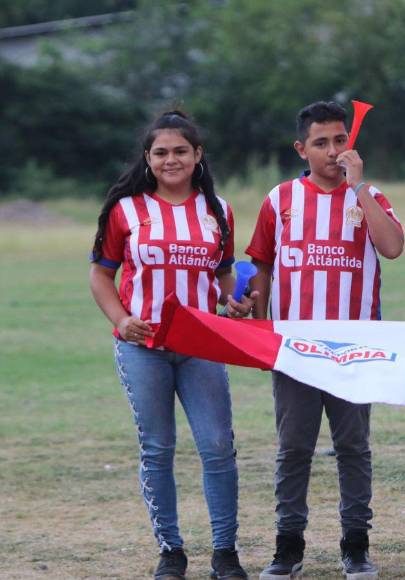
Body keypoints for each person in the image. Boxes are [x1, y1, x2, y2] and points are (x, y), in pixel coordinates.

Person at [89, 111, 253, 580]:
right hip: (144, 348)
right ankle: (171, 552)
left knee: (218, 447)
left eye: (181, 150)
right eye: (161, 152)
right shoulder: (126, 210)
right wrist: (122, 320)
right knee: (157, 448)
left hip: (201, 343)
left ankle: (225, 553)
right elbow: (101, 275)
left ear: (198, 155)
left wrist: (234, 300)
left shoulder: (218, 208)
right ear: (148, 158)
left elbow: (223, 274)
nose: (171, 159)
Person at [246, 101, 404, 580]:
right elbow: (262, 267)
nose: (333, 151)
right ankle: (288, 545)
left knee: (353, 447)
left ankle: (355, 544)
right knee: (293, 449)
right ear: (302, 148)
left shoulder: (370, 195)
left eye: (340, 140)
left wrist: (359, 188)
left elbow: (393, 248)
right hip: (294, 349)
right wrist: (257, 325)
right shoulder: (280, 199)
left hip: (355, 349)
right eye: (321, 142)